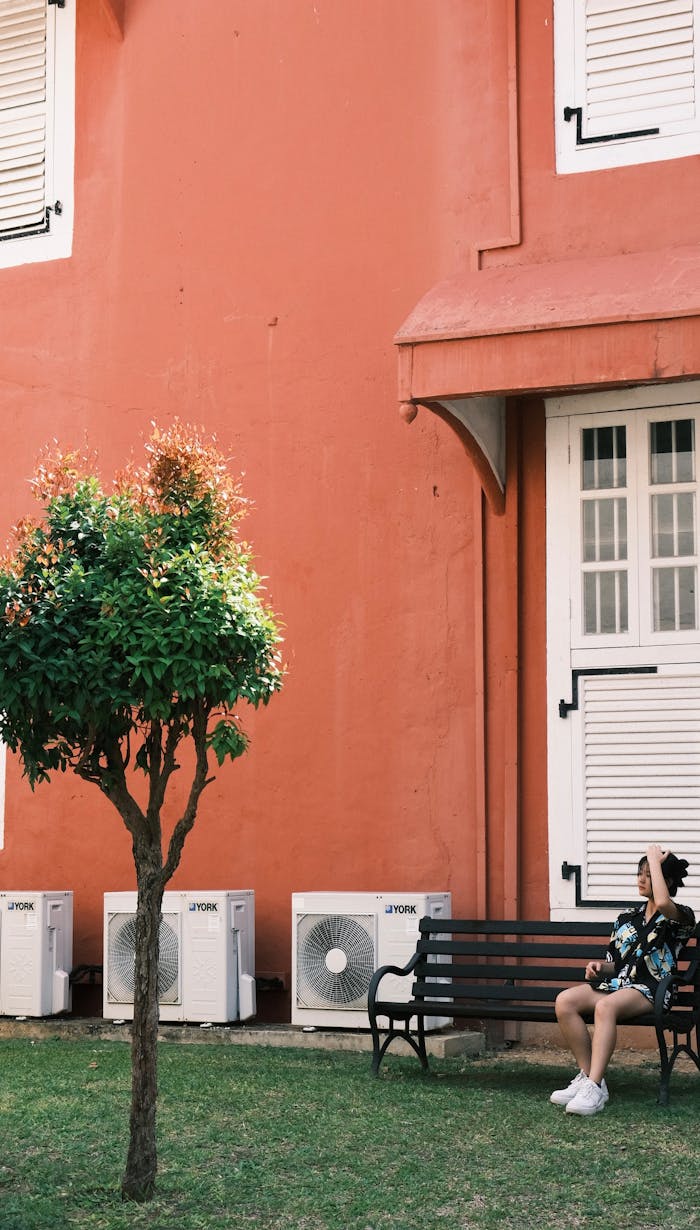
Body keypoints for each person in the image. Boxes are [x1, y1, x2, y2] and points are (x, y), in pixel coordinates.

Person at [550, 844, 694, 1116]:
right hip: (621, 984)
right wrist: (599, 968)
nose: (640, 879)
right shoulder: (627, 918)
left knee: (605, 1007)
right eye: (640, 873)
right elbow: (616, 963)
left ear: (667, 881)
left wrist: (654, 856)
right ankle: (588, 1077)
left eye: (648, 874)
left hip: (653, 989)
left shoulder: (681, 916)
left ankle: (594, 1087)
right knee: (565, 1001)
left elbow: (663, 903)